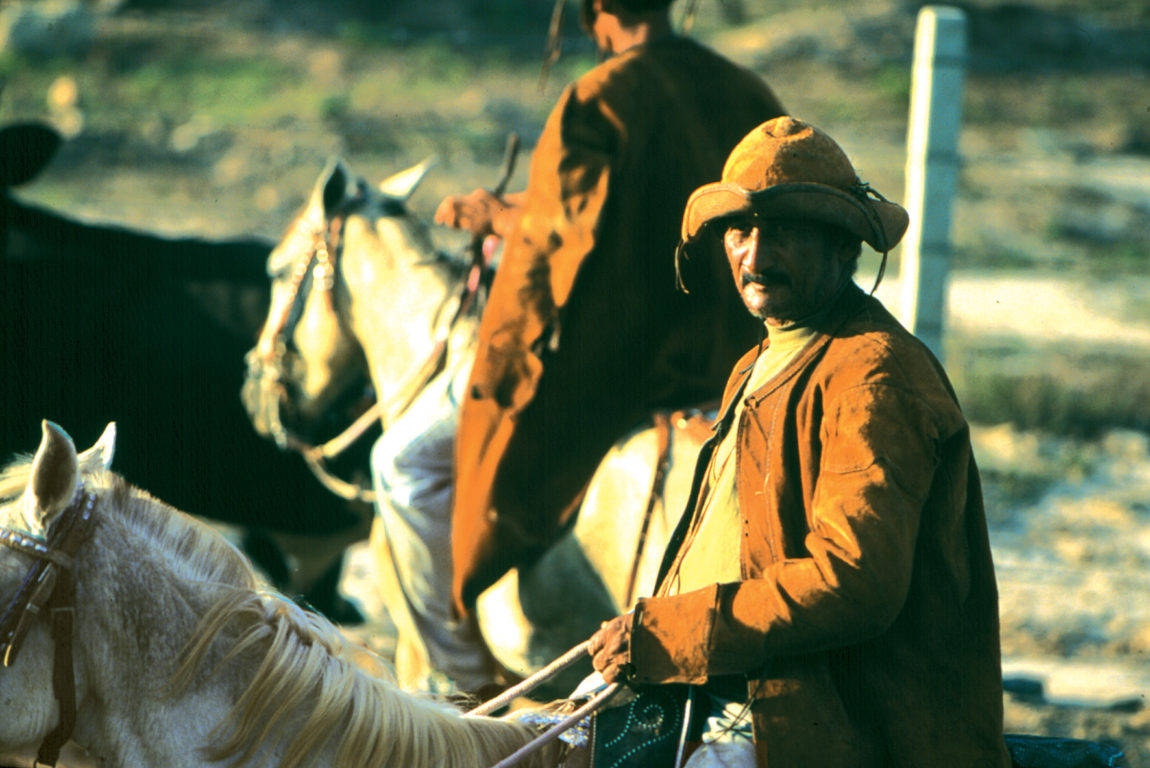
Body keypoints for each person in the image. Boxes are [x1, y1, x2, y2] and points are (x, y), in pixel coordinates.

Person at [374, 0, 786, 694]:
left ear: (597, 13)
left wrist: (501, 228)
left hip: (617, 381)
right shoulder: (749, 93)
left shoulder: (598, 100)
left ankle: (465, 686)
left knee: (405, 464)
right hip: (733, 365)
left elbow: (553, 256)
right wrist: (516, 216)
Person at [585, 116, 1011, 767]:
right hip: (735, 691)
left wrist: (670, 632)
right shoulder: (757, 362)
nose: (753, 256)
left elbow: (852, 581)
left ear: (844, 248)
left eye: (781, 232)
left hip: (834, 722)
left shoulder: (875, 374)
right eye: (739, 231)